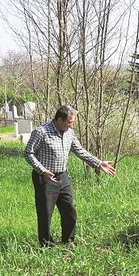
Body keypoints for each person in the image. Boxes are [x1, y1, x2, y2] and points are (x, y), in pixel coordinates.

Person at [24, 105, 116, 247]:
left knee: (69, 211)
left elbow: (80, 151)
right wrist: (42, 170)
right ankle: (46, 245)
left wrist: (99, 164)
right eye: (70, 122)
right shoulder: (41, 132)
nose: (72, 125)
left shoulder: (69, 133)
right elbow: (28, 153)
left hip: (63, 177)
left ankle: (68, 241)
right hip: (45, 178)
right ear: (59, 120)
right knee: (45, 213)